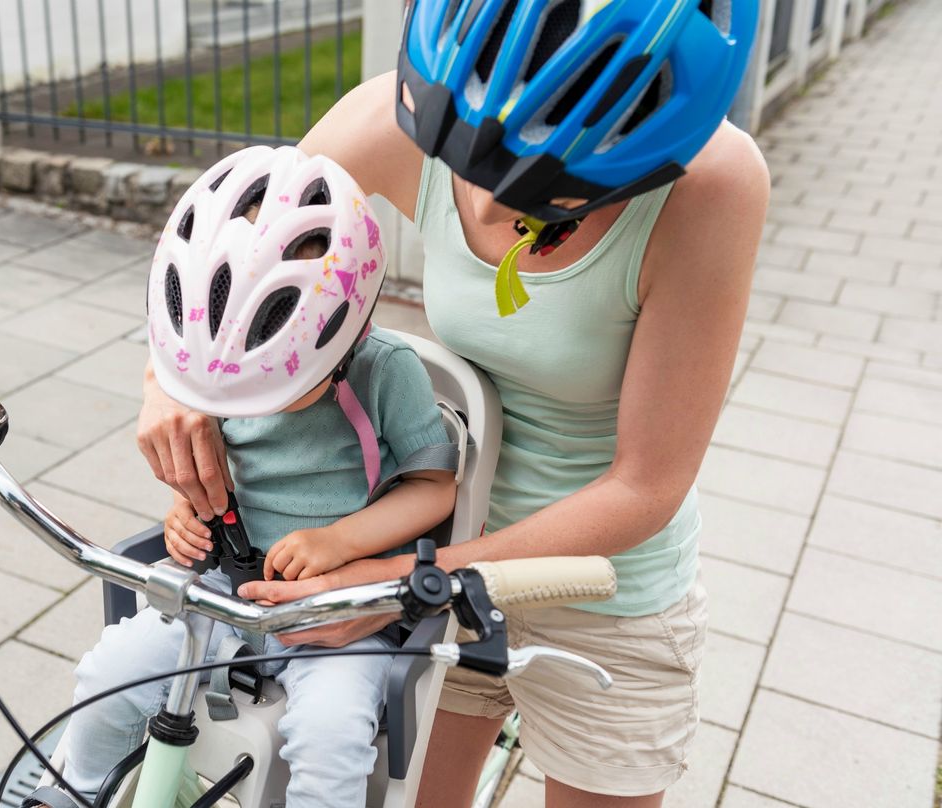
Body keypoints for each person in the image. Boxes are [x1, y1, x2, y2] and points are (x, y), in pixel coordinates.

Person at [136, 2, 770, 806]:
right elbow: (227, 260)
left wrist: (396, 583)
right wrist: (165, 386)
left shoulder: (710, 184)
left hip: (593, 592)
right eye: (469, 156)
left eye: (539, 187)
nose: (475, 208)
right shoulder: (391, 117)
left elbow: (644, 486)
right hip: (438, 546)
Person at [32, 146, 457, 808]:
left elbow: (436, 488)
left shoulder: (387, 372)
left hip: (343, 615)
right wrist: (185, 509)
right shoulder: (216, 364)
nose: (241, 402)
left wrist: (341, 541)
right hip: (224, 590)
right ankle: (72, 791)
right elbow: (209, 468)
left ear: (344, 333)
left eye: (274, 382)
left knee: (331, 738)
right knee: (108, 672)